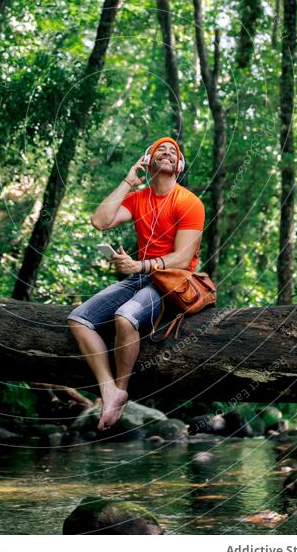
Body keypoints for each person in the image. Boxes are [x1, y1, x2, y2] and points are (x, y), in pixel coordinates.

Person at [67, 137, 205, 431]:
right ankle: (109, 390)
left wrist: (139, 265)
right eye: (160, 151)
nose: (167, 153)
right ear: (148, 161)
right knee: (78, 319)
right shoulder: (139, 198)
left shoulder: (189, 202)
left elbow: (182, 259)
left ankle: (122, 387)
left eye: (173, 152)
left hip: (171, 282)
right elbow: (100, 221)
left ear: (178, 166)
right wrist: (129, 181)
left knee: (125, 317)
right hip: (140, 276)